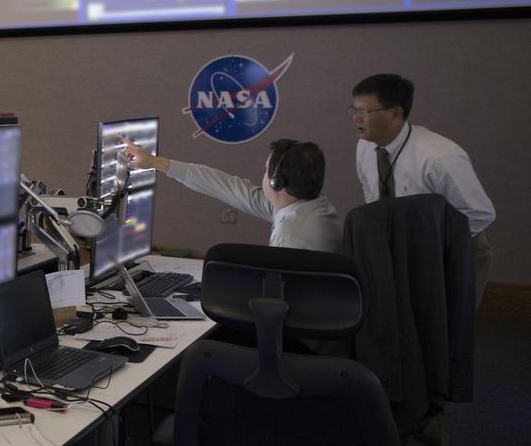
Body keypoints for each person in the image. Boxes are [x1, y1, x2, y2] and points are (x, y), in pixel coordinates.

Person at [350, 73, 494, 306]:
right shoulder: (365, 147)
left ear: (395, 113)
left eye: (364, 111)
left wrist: (433, 249)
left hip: (458, 248)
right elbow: (372, 196)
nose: (357, 118)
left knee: (453, 327)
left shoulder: (440, 157)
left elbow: (479, 213)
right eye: (354, 110)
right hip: (410, 248)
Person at [120, 136, 342, 253]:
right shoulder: (309, 206)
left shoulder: (291, 234)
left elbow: (283, 304)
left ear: (277, 181)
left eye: (266, 171)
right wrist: (153, 162)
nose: (263, 176)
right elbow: (227, 187)